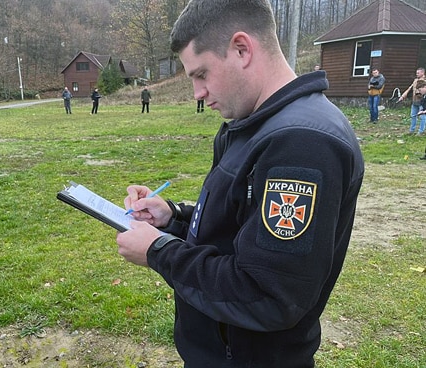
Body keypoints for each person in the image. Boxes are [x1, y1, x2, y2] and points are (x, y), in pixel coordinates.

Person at [115, 0, 365, 367]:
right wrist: (173, 219)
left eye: (201, 74)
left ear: (242, 49)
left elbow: (268, 295)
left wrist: (159, 252)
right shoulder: (253, 125)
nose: (197, 93)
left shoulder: (301, 143)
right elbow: (241, 229)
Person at [398, 67, 426, 135]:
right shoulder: (415, 80)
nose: (417, 74)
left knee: (422, 117)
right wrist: (402, 96)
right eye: (416, 73)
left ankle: (421, 131)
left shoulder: (425, 81)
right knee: (413, 116)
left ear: (422, 73)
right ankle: (411, 130)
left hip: (422, 102)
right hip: (414, 101)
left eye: (418, 73)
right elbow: (409, 89)